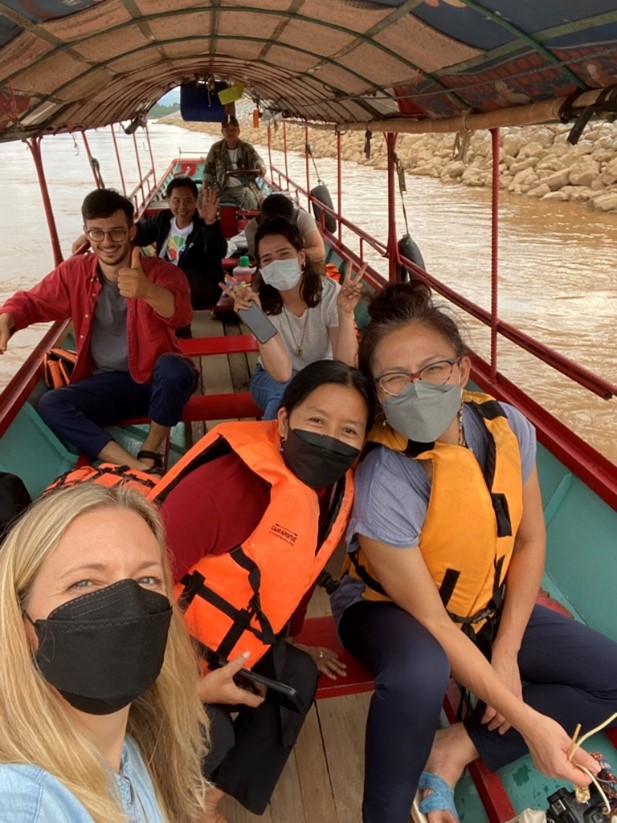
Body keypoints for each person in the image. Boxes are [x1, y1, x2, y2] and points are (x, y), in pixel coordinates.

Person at [330, 282, 617, 823]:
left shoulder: (508, 425)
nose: (416, 390)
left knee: (610, 675)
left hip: (482, 599)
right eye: (395, 379)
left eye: (433, 369)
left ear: (462, 371)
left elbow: (531, 539)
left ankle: (454, 749)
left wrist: (505, 652)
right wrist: (528, 722)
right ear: (378, 392)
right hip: (391, 611)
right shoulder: (383, 478)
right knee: (422, 671)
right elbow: (436, 624)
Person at [156, 360, 374, 822]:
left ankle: (204, 804)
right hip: (160, 644)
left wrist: (286, 642)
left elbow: (284, 579)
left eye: (349, 431)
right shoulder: (224, 489)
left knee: (295, 678)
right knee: (212, 731)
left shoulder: (325, 496)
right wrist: (189, 687)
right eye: (316, 421)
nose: (330, 439)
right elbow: (135, 593)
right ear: (283, 421)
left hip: (224, 642)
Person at [0, 482, 208, 822]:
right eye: (84, 583)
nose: (128, 607)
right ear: (19, 618)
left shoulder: (136, 746)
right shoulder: (23, 803)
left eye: (147, 580)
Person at [0, 188, 197, 473]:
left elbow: (182, 314)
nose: (107, 242)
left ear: (132, 232)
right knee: (52, 403)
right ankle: (134, 465)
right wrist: (8, 317)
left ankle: (150, 450)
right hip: (108, 384)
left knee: (176, 369)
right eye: (97, 233)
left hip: (156, 379)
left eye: (116, 233)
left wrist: (147, 291)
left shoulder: (160, 273)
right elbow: (31, 302)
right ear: (86, 232)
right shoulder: (75, 272)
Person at [223, 217, 363, 419]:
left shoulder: (331, 293)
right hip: (271, 377)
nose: (277, 264)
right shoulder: (259, 303)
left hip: (321, 375)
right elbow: (282, 373)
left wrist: (346, 313)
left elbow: (345, 365)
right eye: (268, 260)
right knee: (284, 397)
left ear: (301, 257)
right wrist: (255, 319)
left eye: (284, 254)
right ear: (262, 269)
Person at [73, 177, 227, 314]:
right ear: (167, 200)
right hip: (166, 282)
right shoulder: (163, 219)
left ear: (196, 201)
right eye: (176, 201)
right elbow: (136, 234)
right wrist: (92, 236)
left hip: (202, 287)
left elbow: (217, 252)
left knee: (164, 279)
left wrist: (210, 223)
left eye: (188, 201)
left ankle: (178, 329)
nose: (182, 207)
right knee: (147, 280)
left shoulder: (204, 225)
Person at [203, 115, 267, 209]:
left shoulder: (247, 148)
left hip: (243, 186)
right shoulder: (216, 148)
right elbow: (207, 169)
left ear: (238, 131)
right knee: (203, 201)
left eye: (233, 129)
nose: (230, 132)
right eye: (227, 130)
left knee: (252, 202)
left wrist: (261, 166)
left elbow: (257, 159)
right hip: (221, 186)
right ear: (222, 132)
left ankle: (249, 221)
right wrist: (205, 186)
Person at [243, 192, 325, 262]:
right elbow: (260, 258)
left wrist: (289, 259)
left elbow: (319, 252)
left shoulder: (302, 218)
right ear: (263, 217)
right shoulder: (252, 229)